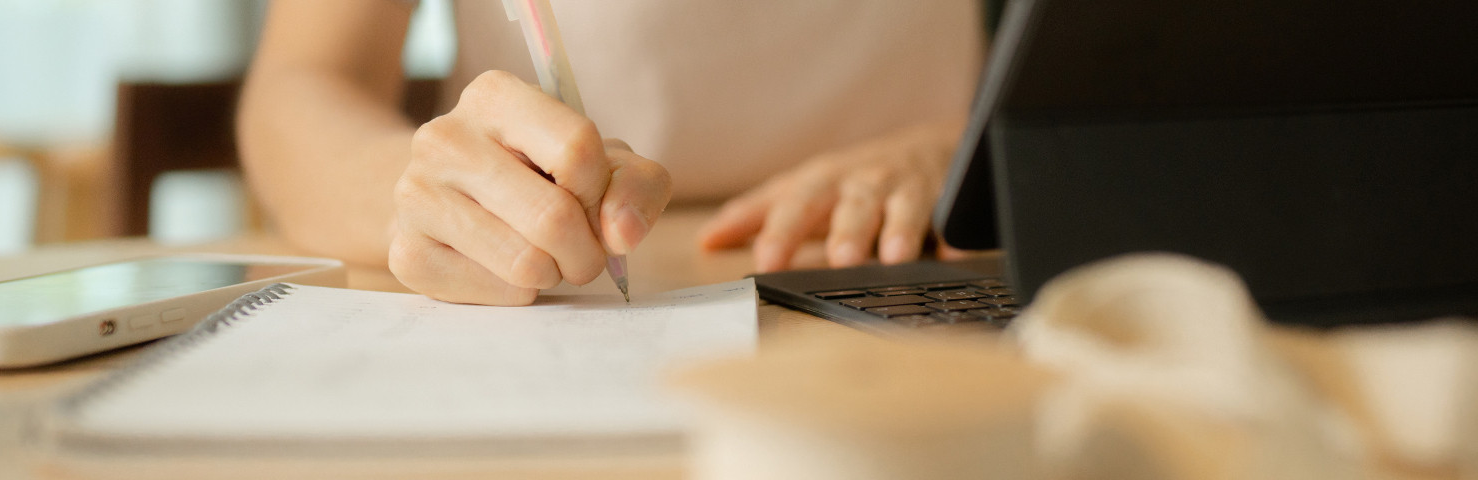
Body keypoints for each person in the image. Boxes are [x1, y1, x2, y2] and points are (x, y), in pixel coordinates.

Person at [238, 0, 982, 305]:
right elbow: (302, 82)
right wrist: (422, 191)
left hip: (936, 260)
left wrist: (981, 149)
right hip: (565, 288)